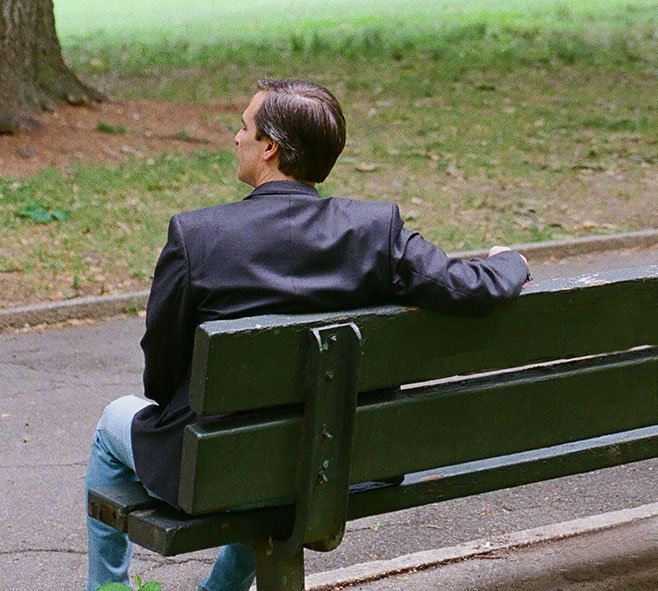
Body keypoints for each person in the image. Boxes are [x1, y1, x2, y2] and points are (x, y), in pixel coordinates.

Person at [85, 78, 530, 591]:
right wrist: (510, 261)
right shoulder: (374, 231)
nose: (236, 137)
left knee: (111, 423)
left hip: (219, 465)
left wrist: (171, 407)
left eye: (245, 126)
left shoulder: (197, 237)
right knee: (273, 445)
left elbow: (161, 370)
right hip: (345, 461)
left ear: (270, 148)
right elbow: (469, 288)